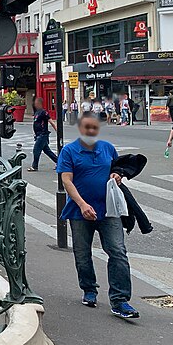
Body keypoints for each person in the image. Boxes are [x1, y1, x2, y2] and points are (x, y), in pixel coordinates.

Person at [58, 112, 138, 319]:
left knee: (118, 251)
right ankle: (89, 289)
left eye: (94, 128)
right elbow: (67, 181)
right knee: (83, 255)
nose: (91, 131)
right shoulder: (69, 151)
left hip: (108, 210)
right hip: (79, 211)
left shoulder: (107, 148)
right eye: (87, 128)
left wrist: (117, 175)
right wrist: (82, 204)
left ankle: (120, 301)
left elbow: (116, 169)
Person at [27, 97, 58, 172]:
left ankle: (34, 166)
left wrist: (57, 130)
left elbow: (51, 121)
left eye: (37, 103)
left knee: (36, 150)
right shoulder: (37, 112)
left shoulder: (44, 112)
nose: (35, 104)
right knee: (47, 151)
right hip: (38, 135)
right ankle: (60, 162)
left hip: (43, 134)